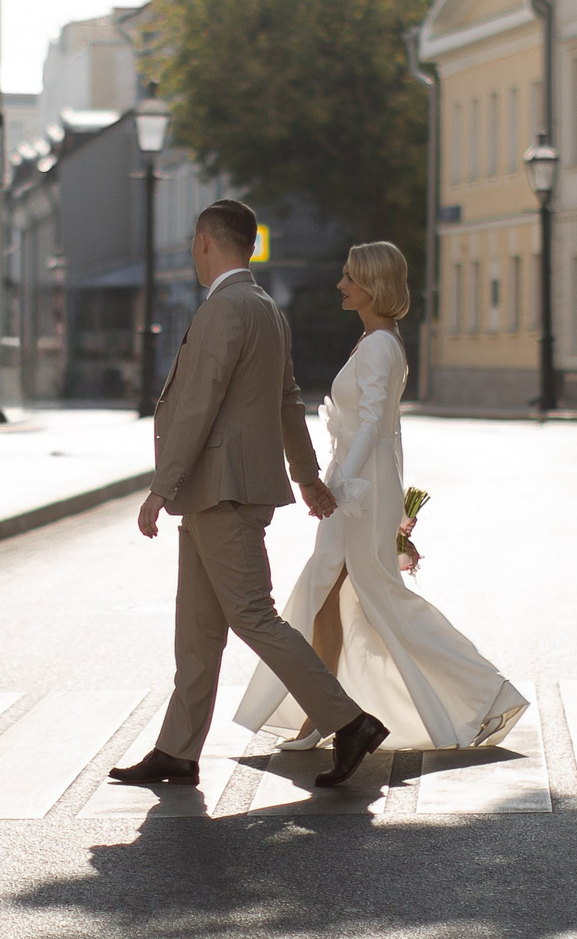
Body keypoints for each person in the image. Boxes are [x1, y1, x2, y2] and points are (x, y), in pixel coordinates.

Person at [109, 200, 391, 791]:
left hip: (219, 492)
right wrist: (308, 477)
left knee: (254, 618)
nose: (192, 254)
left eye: (194, 244)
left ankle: (351, 722)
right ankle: (177, 750)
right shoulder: (266, 309)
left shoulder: (224, 310)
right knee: (198, 629)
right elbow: (288, 400)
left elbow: (197, 406)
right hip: (222, 491)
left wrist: (160, 490)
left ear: (207, 242)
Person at [234, 241, 528, 753]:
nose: (341, 285)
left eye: (350, 277)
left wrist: (338, 484)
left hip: (359, 491)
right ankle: (322, 712)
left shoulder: (378, 345)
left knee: (381, 598)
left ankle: (485, 694)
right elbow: (382, 432)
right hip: (361, 486)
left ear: (373, 285)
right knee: (324, 594)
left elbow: (373, 425)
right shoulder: (376, 339)